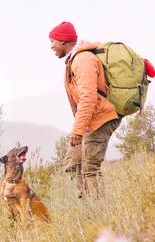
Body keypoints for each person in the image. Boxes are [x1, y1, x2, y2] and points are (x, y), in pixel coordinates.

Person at [49, 21, 122, 198]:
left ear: (63, 42)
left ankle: (99, 213)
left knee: (90, 169)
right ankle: (88, 205)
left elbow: (88, 98)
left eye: (53, 42)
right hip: (91, 119)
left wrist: (78, 130)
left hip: (102, 117)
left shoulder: (83, 61)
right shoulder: (74, 60)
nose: (52, 47)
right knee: (72, 164)